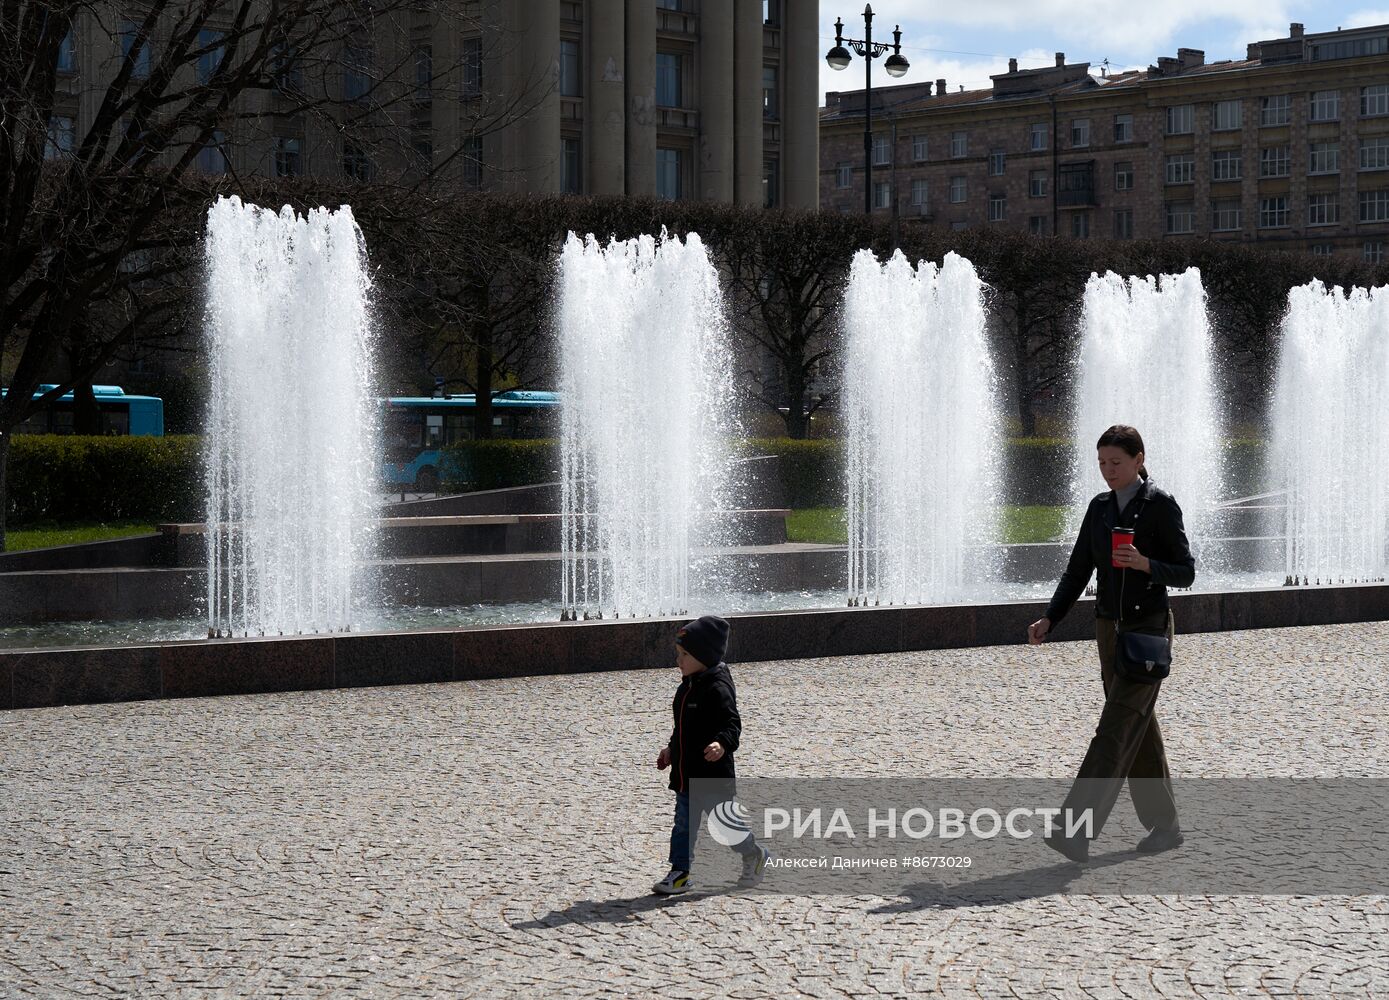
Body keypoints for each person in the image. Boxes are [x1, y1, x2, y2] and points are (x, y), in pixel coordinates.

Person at [1027, 425, 1196, 863]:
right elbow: (1078, 568)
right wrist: (1052, 616)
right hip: (1108, 630)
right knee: (1137, 728)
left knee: (1115, 728)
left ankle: (1074, 830)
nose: (1107, 471)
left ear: (1139, 459)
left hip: (1148, 631)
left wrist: (1144, 564)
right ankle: (1166, 827)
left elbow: (1185, 571)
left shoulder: (1160, 506)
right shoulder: (1099, 508)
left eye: (1115, 462)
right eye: (1101, 462)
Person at [652, 615, 772, 895]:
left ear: (704, 656)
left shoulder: (717, 688)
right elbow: (681, 726)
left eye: (684, 655)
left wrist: (721, 744)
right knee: (683, 826)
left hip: (712, 778)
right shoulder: (687, 686)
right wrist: (671, 749)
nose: (678, 661)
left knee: (727, 830)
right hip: (686, 776)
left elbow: (732, 725)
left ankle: (754, 854)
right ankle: (680, 872)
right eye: (678, 654)